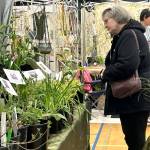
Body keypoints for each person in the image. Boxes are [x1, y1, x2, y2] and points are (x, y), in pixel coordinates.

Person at [101, 6, 150, 150]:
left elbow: (127, 65)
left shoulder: (128, 34)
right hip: (135, 97)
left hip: (134, 98)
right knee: (134, 137)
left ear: (117, 19)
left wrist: (106, 73)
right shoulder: (127, 34)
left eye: (106, 21)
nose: (105, 25)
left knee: (134, 139)